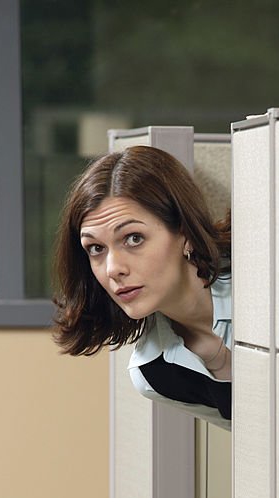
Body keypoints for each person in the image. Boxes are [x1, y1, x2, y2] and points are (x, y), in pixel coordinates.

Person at [52, 145, 232, 421]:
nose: (113, 269)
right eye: (96, 249)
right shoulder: (155, 373)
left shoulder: (265, 287)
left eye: (133, 238)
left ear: (184, 233)